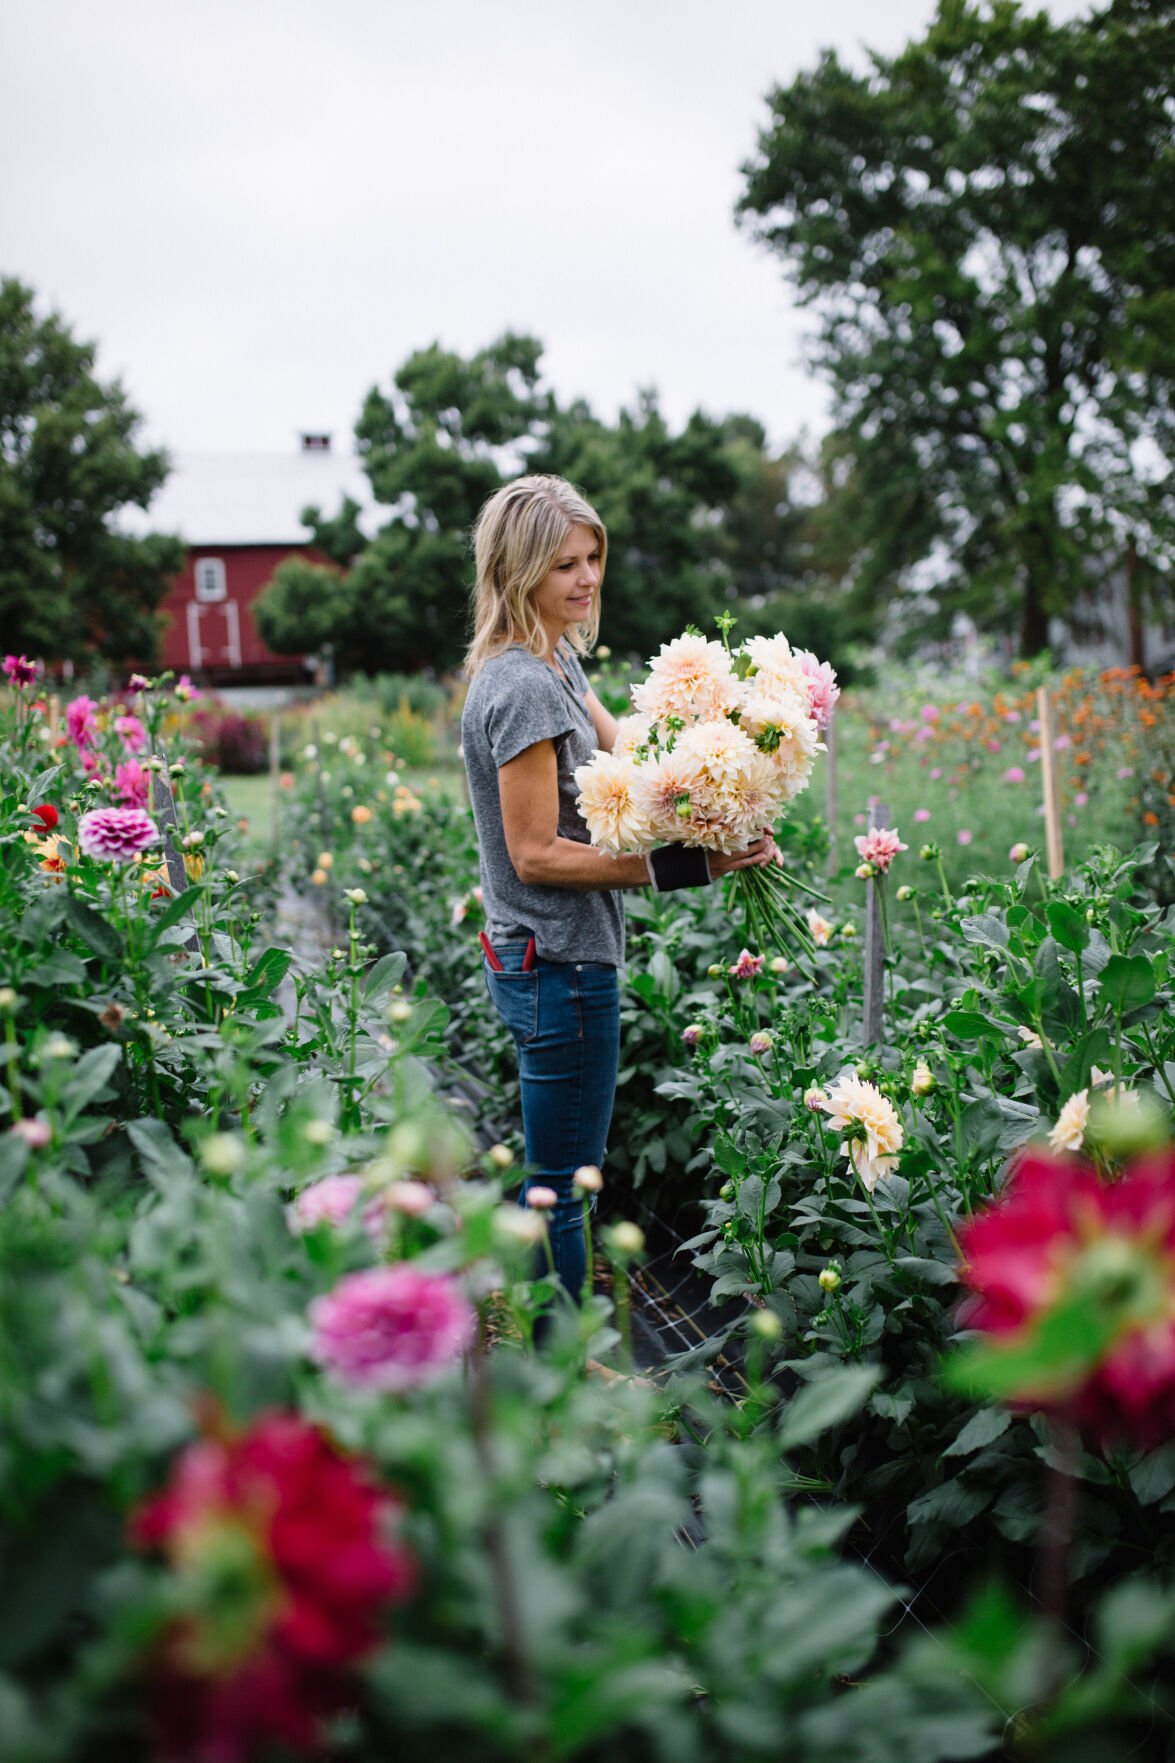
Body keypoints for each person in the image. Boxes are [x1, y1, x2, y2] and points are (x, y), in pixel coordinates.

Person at [460, 474, 777, 1315]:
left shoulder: (552, 659)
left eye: (592, 557)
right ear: (517, 568)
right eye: (563, 563)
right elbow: (535, 854)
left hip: (549, 955)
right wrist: (686, 866)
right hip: (557, 960)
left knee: (561, 1177)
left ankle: (547, 1350)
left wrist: (724, 755)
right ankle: (558, 1364)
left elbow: (626, 747)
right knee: (562, 1185)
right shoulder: (522, 683)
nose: (586, 578)